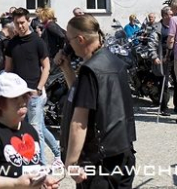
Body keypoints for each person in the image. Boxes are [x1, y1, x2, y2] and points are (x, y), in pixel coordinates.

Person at [54, 15, 136, 188]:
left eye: (69, 40)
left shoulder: (90, 71)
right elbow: (82, 95)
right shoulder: (114, 62)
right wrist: (66, 68)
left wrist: (70, 163)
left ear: (81, 39)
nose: (68, 45)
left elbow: (79, 122)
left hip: (100, 160)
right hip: (123, 152)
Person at [0, 72, 60, 189]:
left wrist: (43, 180)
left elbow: (32, 169)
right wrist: (15, 183)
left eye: (24, 96)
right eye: (14, 98)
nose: (22, 101)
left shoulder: (30, 131)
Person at [4, 8, 60, 166]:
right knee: (38, 127)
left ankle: (40, 165)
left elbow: (46, 66)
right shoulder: (12, 44)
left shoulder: (37, 41)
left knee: (35, 131)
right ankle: (57, 153)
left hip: (35, 93)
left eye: (22, 22)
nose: (20, 26)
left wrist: (39, 88)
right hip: (19, 94)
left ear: (28, 21)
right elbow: (8, 69)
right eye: (17, 23)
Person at [156, 6, 177, 116]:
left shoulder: (175, 25)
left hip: (175, 56)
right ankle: (164, 107)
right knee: (164, 82)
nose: (172, 16)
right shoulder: (159, 27)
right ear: (165, 15)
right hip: (164, 57)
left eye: (173, 14)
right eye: (170, 14)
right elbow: (154, 42)